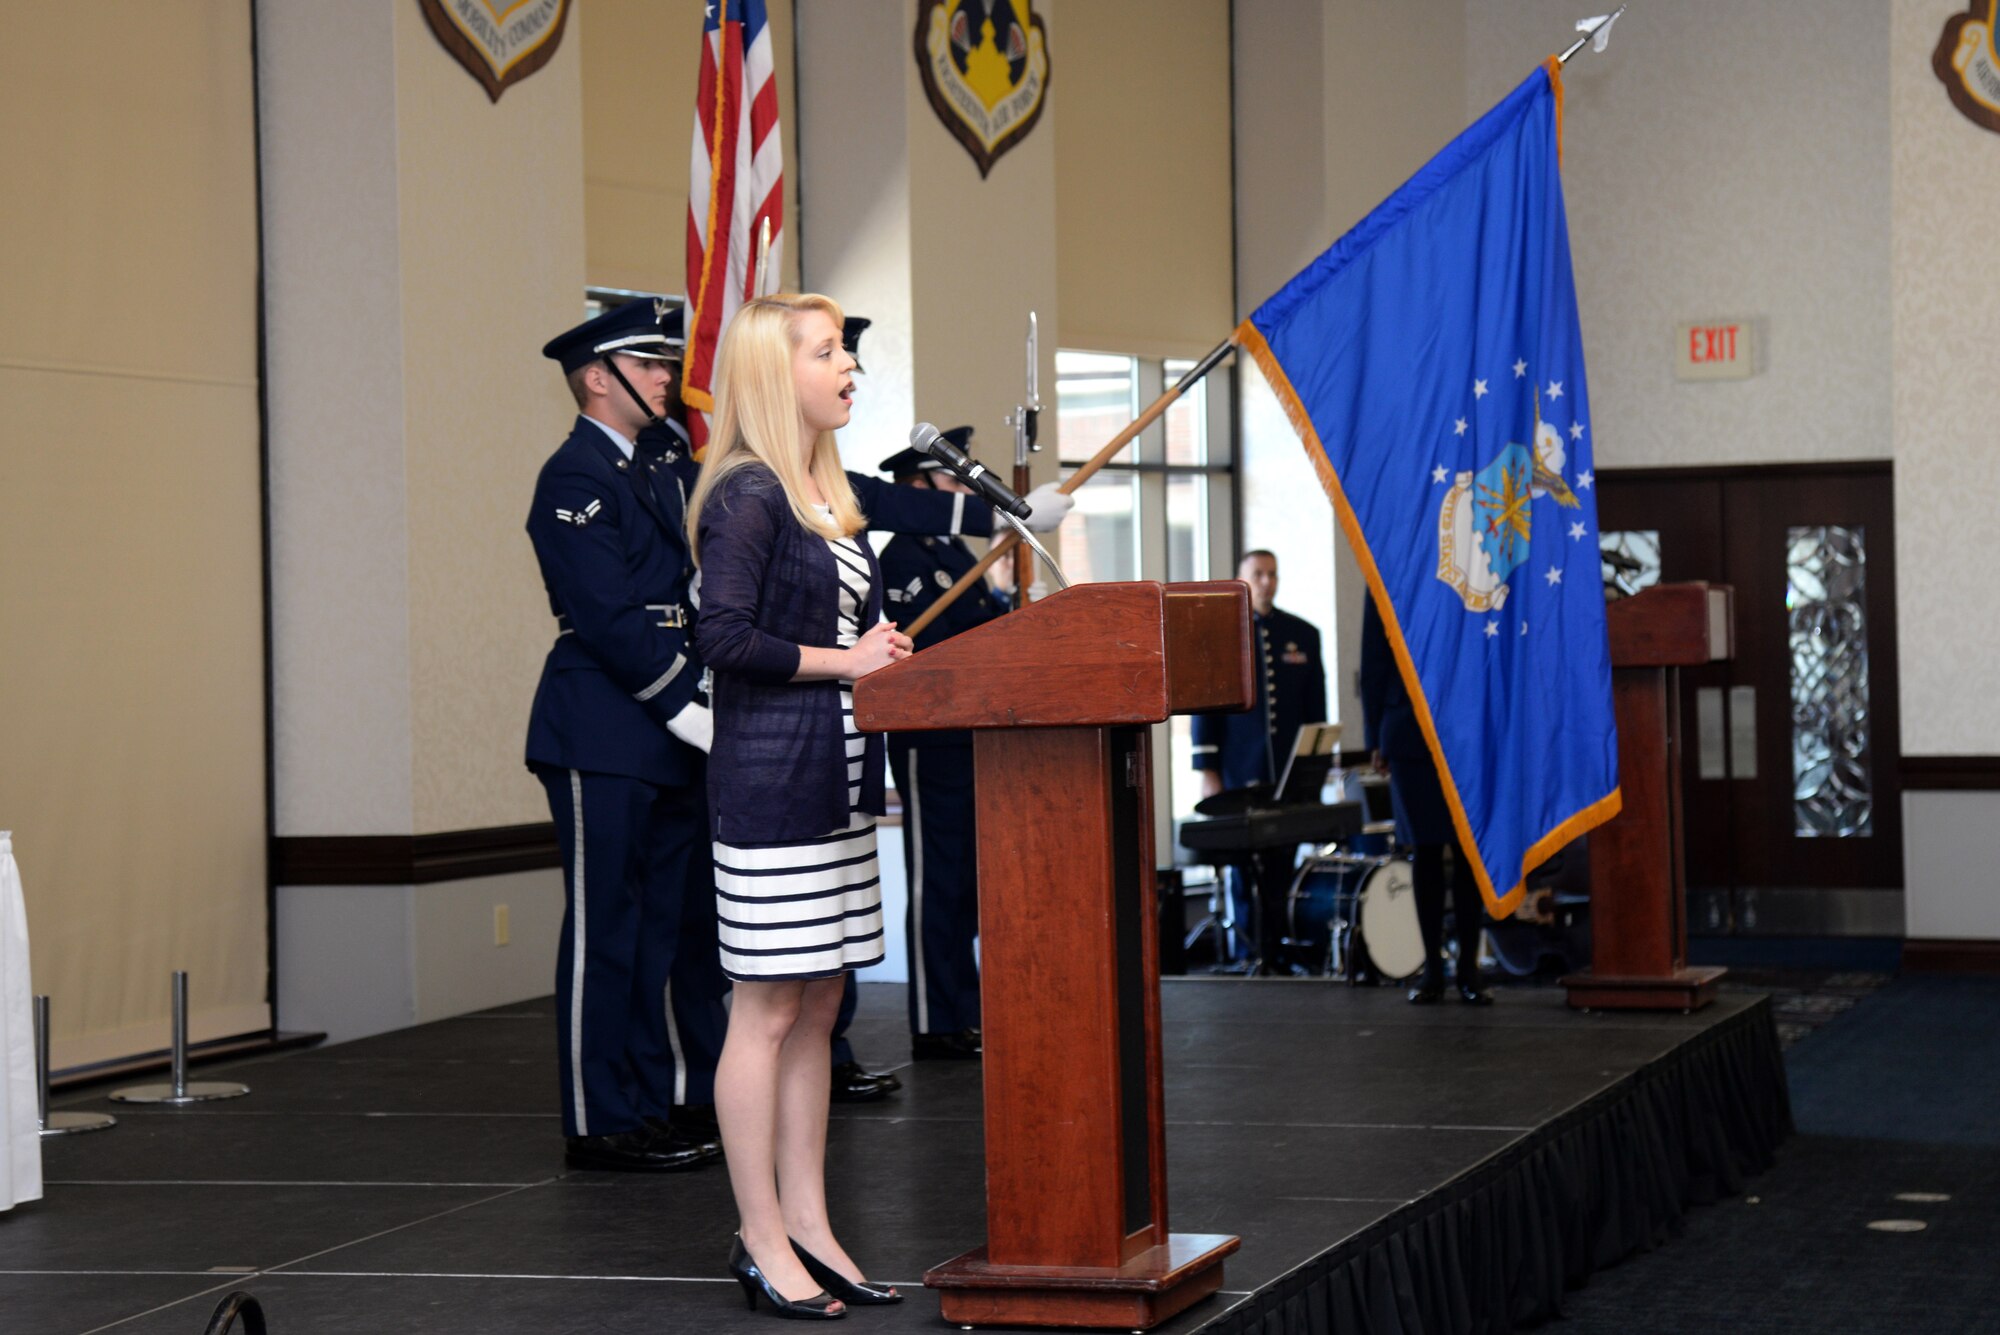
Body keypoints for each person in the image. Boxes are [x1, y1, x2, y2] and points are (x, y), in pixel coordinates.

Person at [690, 292, 909, 1317]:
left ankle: (812, 1223)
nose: (848, 369)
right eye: (827, 354)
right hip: (773, 787)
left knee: (819, 1004)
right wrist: (846, 659)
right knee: (767, 1008)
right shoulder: (745, 494)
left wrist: (876, 659)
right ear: (778, 375)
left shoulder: (817, 492)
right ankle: (759, 1233)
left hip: (837, 780)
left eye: (844, 353)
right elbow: (722, 639)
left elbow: (833, 644)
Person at [525, 299, 729, 1172]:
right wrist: (682, 698)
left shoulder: (662, 467)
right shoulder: (574, 477)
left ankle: (657, 1100)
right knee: (607, 927)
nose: (665, 378)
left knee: (663, 934)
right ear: (598, 377)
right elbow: (607, 614)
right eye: (649, 365)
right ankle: (599, 1115)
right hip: (605, 725)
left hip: (672, 725)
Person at [874, 429, 1011, 1060]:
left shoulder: (955, 550)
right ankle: (934, 1019)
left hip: (969, 734)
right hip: (930, 737)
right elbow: (939, 643)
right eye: (948, 482)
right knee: (937, 879)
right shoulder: (903, 556)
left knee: (965, 883)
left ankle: (964, 1007)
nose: (957, 492)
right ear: (916, 486)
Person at [1190, 550, 1328, 971]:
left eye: (1272, 574)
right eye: (1258, 574)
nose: (1267, 582)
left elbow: (1315, 712)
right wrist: (1208, 770)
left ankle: (1278, 948)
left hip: (1286, 773)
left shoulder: (1303, 634)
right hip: (1238, 770)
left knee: (1283, 860)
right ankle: (1248, 950)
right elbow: (1203, 708)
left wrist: (1313, 769)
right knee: (1243, 869)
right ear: (1241, 578)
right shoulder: (1219, 636)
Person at [1358, 592, 1492, 1005]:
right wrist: (1374, 736)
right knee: (1426, 851)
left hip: (1470, 726)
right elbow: (1374, 658)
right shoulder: (1389, 553)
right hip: (1408, 729)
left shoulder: (1469, 546)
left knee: (1470, 853)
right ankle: (1432, 969)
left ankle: (1468, 970)